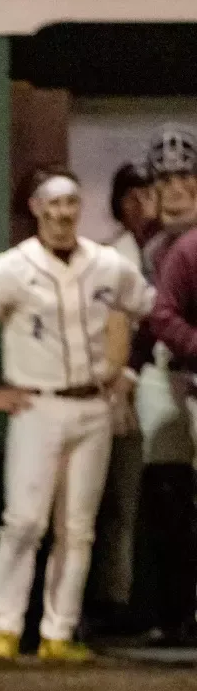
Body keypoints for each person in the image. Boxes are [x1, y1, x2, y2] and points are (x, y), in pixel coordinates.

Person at [0, 168, 153, 663]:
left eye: (71, 204)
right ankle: (6, 630)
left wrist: (131, 373)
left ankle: (59, 632)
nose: (63, 214)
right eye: (53, 205)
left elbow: (151, 314)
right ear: (36, 209)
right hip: (37, 405)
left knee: (77, 527)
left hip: (93, 403)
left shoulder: (107, 263)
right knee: (23, 522)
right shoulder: (13, 267)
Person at [132, 126, 197, 642]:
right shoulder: (143, 245)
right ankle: (168, 610)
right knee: (165, 490)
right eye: (165, 179)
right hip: (165, 370)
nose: (175, 188)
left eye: (185, 177)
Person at [90, 160, 159, 625]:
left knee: (151, 499)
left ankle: (144, 598)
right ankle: (113, 599)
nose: (139, 204)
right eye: (129, 196)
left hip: (162, 381)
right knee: (113, 501)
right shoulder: (110, 256)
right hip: (117, 386)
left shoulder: (169, 250)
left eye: (145, 194)